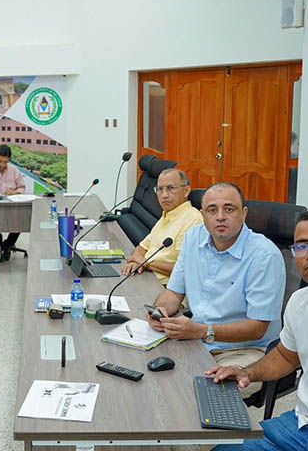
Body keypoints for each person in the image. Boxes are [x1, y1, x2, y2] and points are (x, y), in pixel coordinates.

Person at [147, 182, 285, 397]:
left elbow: (257, 327)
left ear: (244, 213)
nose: (220, 217)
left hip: (245, 350)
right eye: (212, 210)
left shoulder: (265, 256)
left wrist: (201, 331)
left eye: (229, 209)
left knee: (202, 398)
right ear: (202, 215)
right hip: (197, 339)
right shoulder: (193, 238)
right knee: (150, 379)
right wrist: (159, 311)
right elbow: (173, 293)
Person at [208, 211, 308, 450]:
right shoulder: (299, 303)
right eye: (302, 246)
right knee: (224, 448)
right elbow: (286, 356)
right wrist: (246, 373)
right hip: (300, 421)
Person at [122, 168, 202, 285]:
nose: (164, 195)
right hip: (147, 276)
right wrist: (136, 261)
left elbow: (186, 269)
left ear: (186, 191)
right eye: (160, 189)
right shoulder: (168, 214)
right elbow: (142, 247)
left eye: (171, 188)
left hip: (165, 287)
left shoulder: (192, 219)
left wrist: (146, 263)